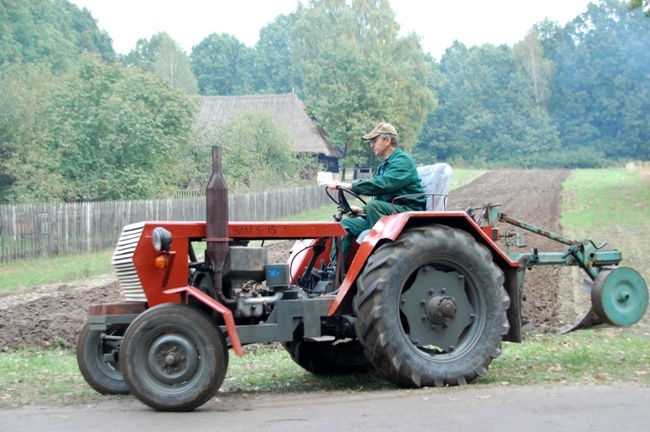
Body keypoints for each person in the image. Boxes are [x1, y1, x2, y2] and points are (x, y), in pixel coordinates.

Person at [327, 122, 425, 268]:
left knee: (373, 206)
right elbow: (383, 198)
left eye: (374, 140)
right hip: (392, 212)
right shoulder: (384, 165)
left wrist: (351, 186)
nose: (372, 145)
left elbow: (383, 184)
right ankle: (334, 270)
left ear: (387, 141)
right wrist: (362, 210)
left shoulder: (402, 161)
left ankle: (379, 261)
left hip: (407, 212)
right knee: (344, 225)